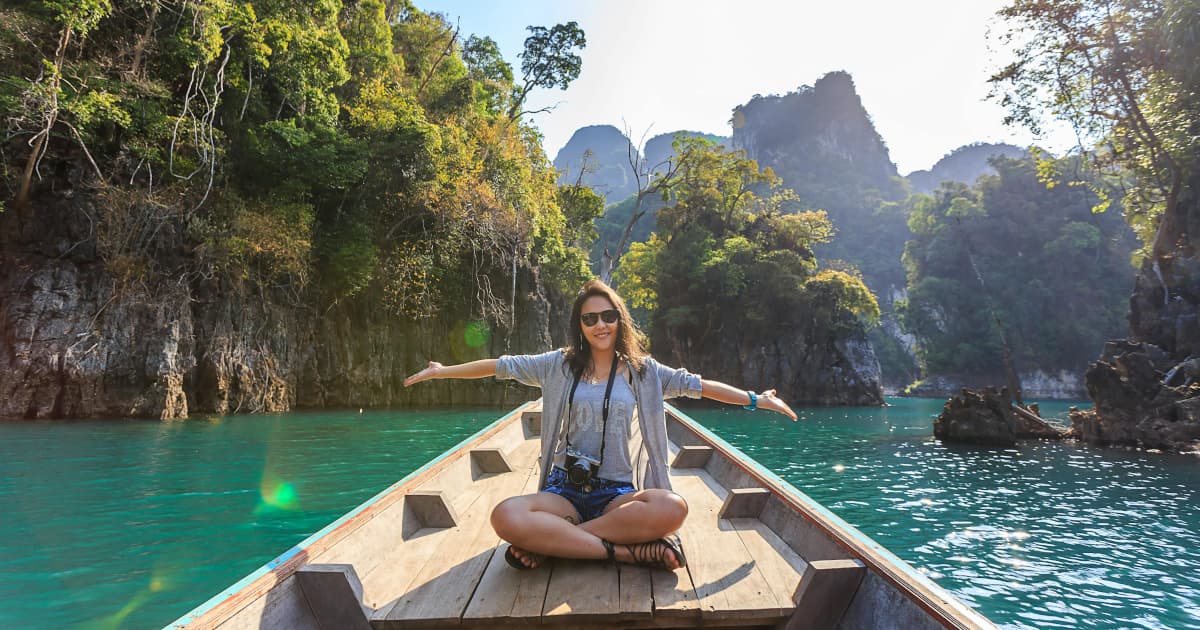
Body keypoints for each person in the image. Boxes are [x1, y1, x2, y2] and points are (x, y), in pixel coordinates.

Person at [403, 279, 797, 571]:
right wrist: (442, 372)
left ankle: (557, 543)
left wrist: (755, 400)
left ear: (619, 319)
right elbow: (499, 366)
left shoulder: (646, 373)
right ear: (580, 324)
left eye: (608, 316)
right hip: (565, 490)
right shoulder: (557, 364)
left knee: (671, 507)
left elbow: (700, 386)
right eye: (589, 318)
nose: (600, 325)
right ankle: (623, 551)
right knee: (505, 516)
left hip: (616, 493)